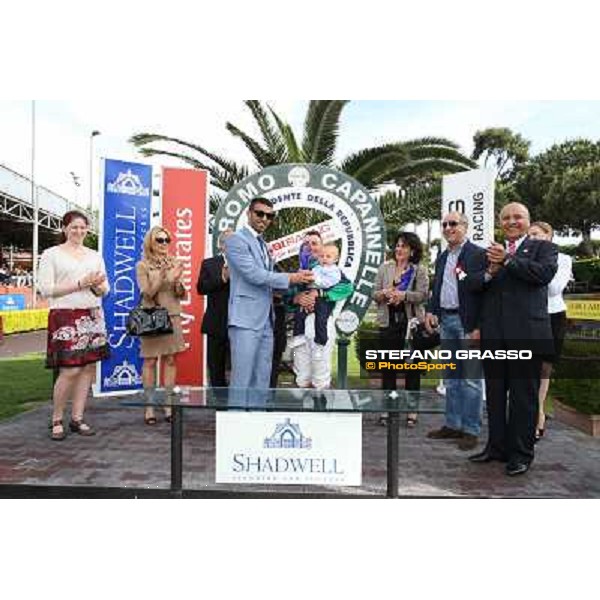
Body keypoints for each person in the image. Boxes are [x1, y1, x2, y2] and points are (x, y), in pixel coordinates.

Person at [469, 202, 558, 476]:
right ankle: (496, 448)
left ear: (527, 220)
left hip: (527, 336)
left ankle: (521, 454)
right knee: (495, 395)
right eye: (506, 217)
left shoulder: (544, 248)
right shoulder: (487, 253)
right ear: (500, 222)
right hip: (494, 336)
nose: (511, 221)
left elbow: (542, 275)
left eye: (517, 217)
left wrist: (507, 260)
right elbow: (471, 286)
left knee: (524, 397)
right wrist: (488, 273)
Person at [225, 197, 313, 390]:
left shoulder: (264, 245)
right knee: (242, 379)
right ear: (249, 214)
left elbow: (271, 281)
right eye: (260, 213)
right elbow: (254, 275)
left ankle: (258, 419)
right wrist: (293, 278)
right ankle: (236, 418)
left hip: (267, 319)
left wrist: (306, 290)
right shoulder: (235, 240)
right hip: (245, 320)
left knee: (262, 378)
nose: (264, 218)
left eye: (269, 216)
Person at [37, 210, 110, 441]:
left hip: (93, 314)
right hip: (65, 315)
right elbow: (46, 289)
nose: (79, 231)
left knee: (88, 368)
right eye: (74, 227)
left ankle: (77, 418)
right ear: (64, 229)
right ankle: (57, 419)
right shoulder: (51, 254)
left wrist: (96, 286)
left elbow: (104, 289)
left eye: (82, 227)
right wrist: (80, 283)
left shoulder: (94, 255)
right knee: (70, 369)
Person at [424, 212, 487, 450]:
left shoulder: (478, 254)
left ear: (465, 227)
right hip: (447, 322)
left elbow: (483, 293)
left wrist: (479, 326)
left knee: (471, 380)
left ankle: (471, 430)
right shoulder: (442, 257)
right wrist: (432, 311)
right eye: (445, 224)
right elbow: (437, 287)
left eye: (454, 224)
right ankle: (452, 424)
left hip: (467, 323)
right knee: (451, 378)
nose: (448, 227)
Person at [373, 231, 428, 426]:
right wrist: (385, 293)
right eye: (397, 245)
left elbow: (422, 295)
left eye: (403, 246)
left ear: (412, 250)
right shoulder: (385, 268)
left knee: (412, 369)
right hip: (388, 323)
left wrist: (403, 296)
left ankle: (412, 411)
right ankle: (388, 409)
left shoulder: (419, 270)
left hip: (411, 325)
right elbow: (374, 293)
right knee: (388, 368)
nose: (398, 249)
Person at [136, 226, 187, 424]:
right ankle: (149, 408)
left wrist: (177, 284)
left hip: (172, 315)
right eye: (160, 240)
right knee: (149, 362)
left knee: (171, 361)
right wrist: (163, 277)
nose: (164, 243)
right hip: (152, 316)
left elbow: (181, 294)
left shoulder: (175, 262)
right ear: (151, 242)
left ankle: (168, 406)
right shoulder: (142, 265)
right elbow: (147, 293)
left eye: (167, 240)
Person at [291, 231, 353, 390]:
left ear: (321, 247)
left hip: (321, 323)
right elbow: (287, 295)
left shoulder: (332, 271)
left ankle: (320, 406)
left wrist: (319, 294)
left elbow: (346, 288)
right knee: (301, 372)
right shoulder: (299, 271)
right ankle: (303, 409)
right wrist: (298, 297)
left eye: (314, 243)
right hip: (300, 327)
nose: (310, 247)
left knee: (320, 372)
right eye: (307, 244)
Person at [528, 221, 573, 441]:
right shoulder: (524, 256)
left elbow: (554, 288)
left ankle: (538, 415)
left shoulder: (563, 259)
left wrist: (534, 272)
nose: (533, 239)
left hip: (553, 316)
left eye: (536, 235)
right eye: (530, 236)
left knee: (544, 369)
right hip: (527, 318)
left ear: (549, 235)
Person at [197, 229, 232, 387]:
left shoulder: (247, 262)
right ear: (222, 245)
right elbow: (201, 288)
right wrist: (222, 278)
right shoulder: (209, 264)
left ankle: (237, 404)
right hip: (216, 323)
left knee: (240, 368)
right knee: (216, 368)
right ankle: (219, 405)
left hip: (241, 324)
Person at [291, 242, 342, 353]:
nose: (324, 258)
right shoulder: (316, 268)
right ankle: (298, 336)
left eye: (328, 256)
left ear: (335, 259)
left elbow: (330, 283)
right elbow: (308, 279)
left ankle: (321, 341)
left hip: (323, 299)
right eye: (322, 256)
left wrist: (316, 283)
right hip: (309, 293)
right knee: (300, 313)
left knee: (321, 318)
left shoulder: (335, 271)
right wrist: (304, 277)